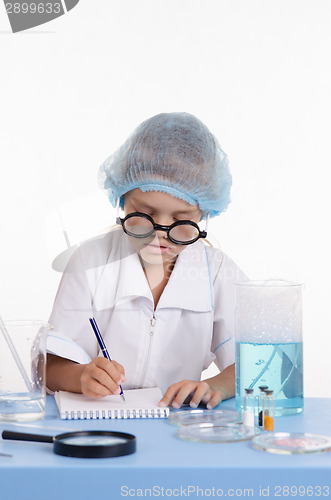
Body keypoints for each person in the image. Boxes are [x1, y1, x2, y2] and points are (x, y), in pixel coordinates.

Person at [46, 112, 247, 409]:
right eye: (145, 214)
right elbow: (49, 367)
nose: (159, 235)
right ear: (122, 200)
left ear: (204, 215)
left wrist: (212, 386)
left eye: (181, 220)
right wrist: (81, 377)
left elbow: (255, 364)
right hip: (102, 424)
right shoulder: (91, 262)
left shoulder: (216, 271)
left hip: (175, 425)